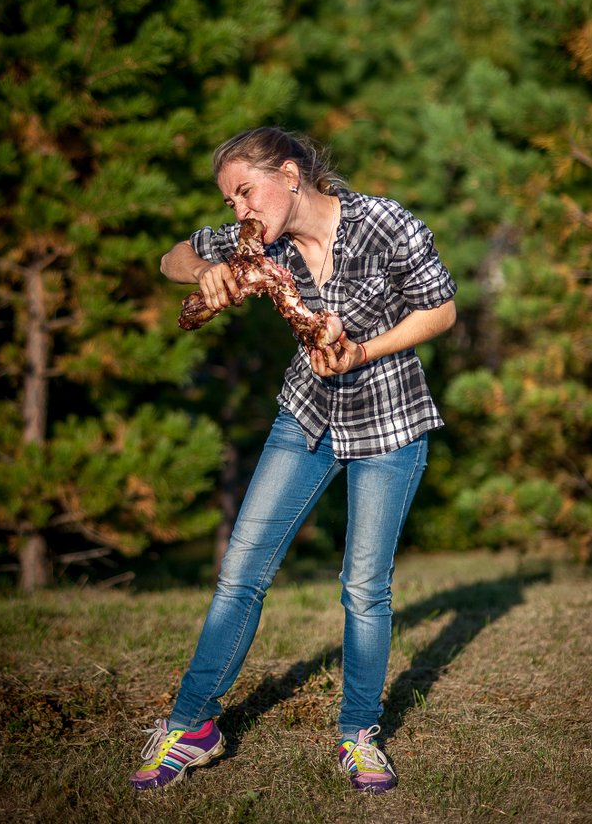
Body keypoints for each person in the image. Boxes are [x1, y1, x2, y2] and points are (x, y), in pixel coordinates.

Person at [130, 126, 457, 795]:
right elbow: (171, 258)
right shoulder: (259, 239)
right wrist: (205, 270)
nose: (239, 209)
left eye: (244, 191)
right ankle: (191, 727)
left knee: (364, 588)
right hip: (305, 417)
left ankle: (358, 733)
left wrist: (361, 351)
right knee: (240, 571)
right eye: (230, 201)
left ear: (287, 173)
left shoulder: (383, 222)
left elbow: (442, 310)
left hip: (389, 422)